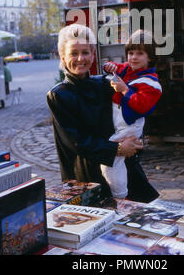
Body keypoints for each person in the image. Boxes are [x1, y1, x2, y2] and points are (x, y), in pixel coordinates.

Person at [46, 24, 159, 203]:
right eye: (73, 53)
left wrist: (135, 141)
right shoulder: (59, 95)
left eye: (85, 52)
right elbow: (76, 142)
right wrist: (118, 149)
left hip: (122, 165)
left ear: (93, 54)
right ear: (63, 57)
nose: (80, 59)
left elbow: (133, 112)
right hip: (86, 174)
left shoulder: (105, 83)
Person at [100, 29, 162, 199]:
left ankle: (119, 195)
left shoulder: (151, 83)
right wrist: (109, 67)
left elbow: (142, 106)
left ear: (150, 57)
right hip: (120, 123)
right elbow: (117, 68)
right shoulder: (128, 69)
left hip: (129, 126)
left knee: (111, 157)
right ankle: (131, 194)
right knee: (126, 164)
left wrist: (125, 90)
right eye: (130, 53)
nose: (133, 57)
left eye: (140, 53)